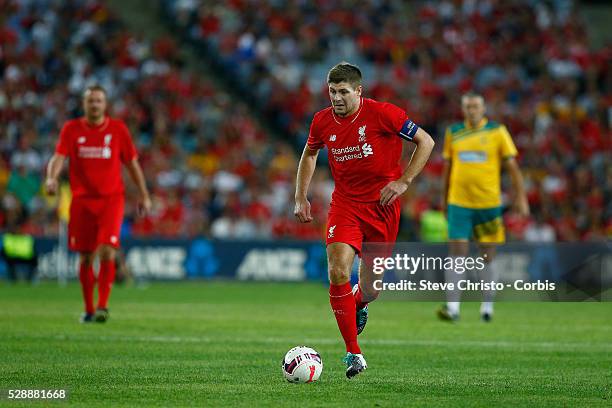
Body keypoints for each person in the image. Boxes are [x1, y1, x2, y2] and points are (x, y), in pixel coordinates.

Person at [294, 62, 435, 378]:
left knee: (371, 289)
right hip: (345, 206)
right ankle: (353, 353)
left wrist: (404, 181)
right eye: (332, 92)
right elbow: (310, 153)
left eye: (343, 91)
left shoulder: (385, 114)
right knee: (338, 270)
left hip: (382, 210)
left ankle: (358, 303)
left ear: (358, 91)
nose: (337, 98)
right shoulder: (321, 121)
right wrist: (300, 196)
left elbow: (426, 141)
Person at [45, 85, 151, 323]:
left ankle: (103, 305)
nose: (95, 105)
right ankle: (89, 309)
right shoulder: (72, 129)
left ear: (105, 105)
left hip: (111, 200)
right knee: (85, 258)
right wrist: (51, 178)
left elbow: (132, 164)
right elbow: (59, 156)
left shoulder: (118, 129)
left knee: (106, 250)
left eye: (99, 101)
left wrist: (144, 194)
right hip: (81, 201)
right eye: (91, 101)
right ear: (84, 104)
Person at [438, 92, 529, 322]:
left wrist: (521, 198)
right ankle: (453, 307)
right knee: (457, 252)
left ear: (484, 108)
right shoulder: (454, 133)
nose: (472, 110)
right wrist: (443, 197)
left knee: (487, 255)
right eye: (468, 106)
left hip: (488, 203)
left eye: (476, 106)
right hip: (459, 202)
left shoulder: (498, 132)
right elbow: (447, 168)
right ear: (462, 109)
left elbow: (513, 168)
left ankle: (487, 306)